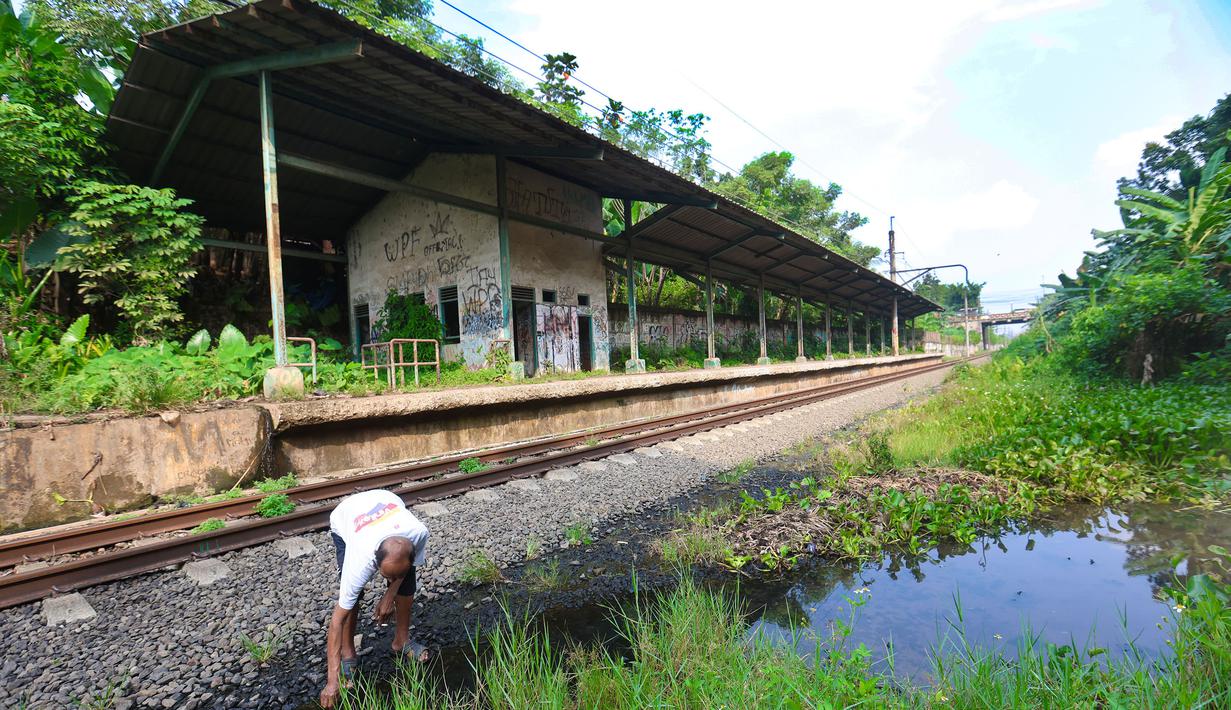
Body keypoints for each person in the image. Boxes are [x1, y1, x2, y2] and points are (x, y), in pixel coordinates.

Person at [319, 489, 431, 708]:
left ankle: (401, 641)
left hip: (385, 500)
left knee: (407, 583)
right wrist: (331, 683)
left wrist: (390, 594)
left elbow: (403, 571)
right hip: (346, 518)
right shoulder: (360, 558)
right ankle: (348, 652)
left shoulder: (418, 534)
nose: (392, 579)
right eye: (386, 576)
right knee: (353, 597)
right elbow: (336, 621)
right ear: (375, 563)